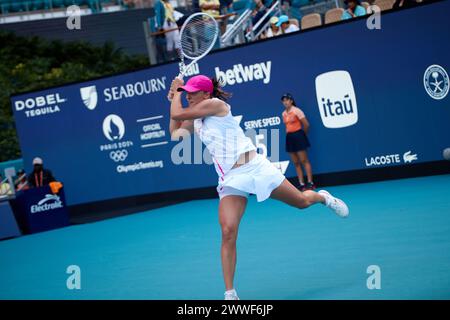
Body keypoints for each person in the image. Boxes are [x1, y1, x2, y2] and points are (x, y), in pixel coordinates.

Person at [167, 75, 349, 300]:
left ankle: (323, 198)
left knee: (302, 203)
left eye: (192, 91)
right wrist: (172, 99)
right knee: (227, 231)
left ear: (206, 94)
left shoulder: (216, 105)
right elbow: (176, 133)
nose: (188, 94)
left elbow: (177, 113)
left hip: (255, 168)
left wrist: (175, 94)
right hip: (231, 180)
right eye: (186, 91)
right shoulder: (196, 119)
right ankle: (230, 293)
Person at [281, 93, 315, 191]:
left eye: (287, 100)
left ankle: (310, 183)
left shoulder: (297, 111)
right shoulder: (283, 113)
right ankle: (301, 184)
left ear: (291, 101)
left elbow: (306, 124)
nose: (285, 102)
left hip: (299, 136)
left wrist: (302, 135)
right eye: (283, 100)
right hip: (290, 138)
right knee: (296, 162)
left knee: (304, 160)